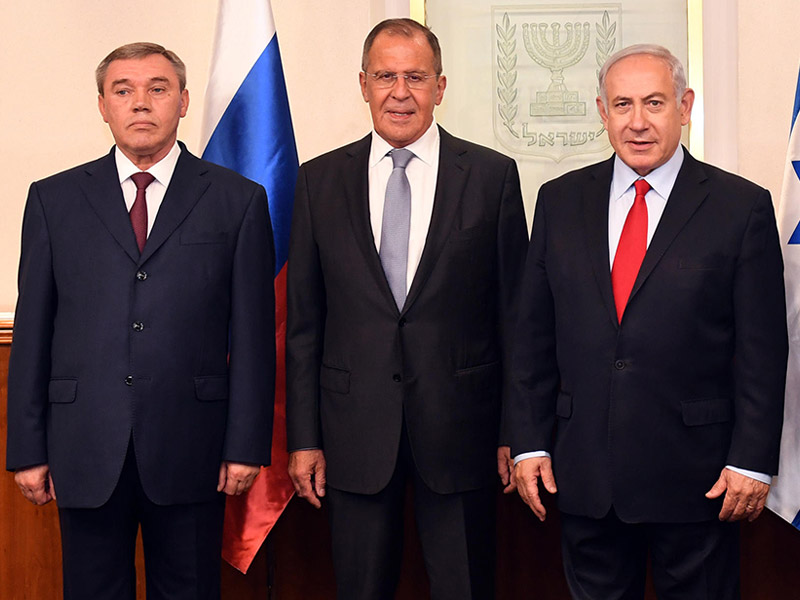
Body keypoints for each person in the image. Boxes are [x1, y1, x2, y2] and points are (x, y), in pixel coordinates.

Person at [509, 43, 788, 599]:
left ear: (684, 106)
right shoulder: (558, 202)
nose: (637, 122)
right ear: (602, 111)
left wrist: (752, 462)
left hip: (702, 481)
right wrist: (528, 444)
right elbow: (532, 337)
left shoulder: (740, 207)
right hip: (584, 474)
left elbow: (763, 350)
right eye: (622, 105)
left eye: (655, 103)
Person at [6, 42, 275, 600]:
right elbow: (33, 331)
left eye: (157, 88)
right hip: (84, 445)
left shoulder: (237, 200)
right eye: (123, 91)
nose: (141, 103)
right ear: (102, 105)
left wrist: (246, 443)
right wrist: (27, 448)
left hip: (192, 445)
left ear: (182, 101)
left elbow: (253, 337)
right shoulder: (54, 199)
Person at [286, 18, 528, 599]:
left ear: (440, 87)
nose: (401, 92)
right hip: (353, 437)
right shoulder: (319, 181)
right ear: (363, 84)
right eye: (386, 76)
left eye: (416, 77)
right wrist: (304, 438)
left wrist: (515, 431)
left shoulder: (493, 177)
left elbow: (516, 319)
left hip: (463, 434)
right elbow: (304, 325)